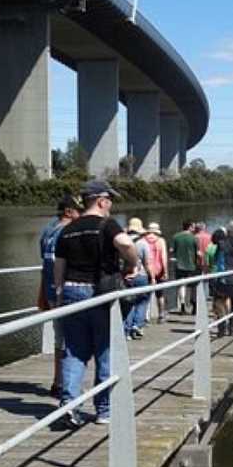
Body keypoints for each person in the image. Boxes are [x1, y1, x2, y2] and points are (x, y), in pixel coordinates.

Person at [53, 180, 138, 427]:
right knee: (105, 349)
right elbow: (126, 243)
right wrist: (132, 264)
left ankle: (70, 407)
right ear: (101, 201)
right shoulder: (106, 224)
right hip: (100, 293)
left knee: (74, 352)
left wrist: (60, 296)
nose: (110, 205)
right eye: (110, 201)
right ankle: (104, 410)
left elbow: (59, 267)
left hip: (71, 291)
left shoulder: (67, 229)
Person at [38, 194, 82, 398]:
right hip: (64, 292)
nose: (81, 214)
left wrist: (42, 293)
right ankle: (65, 385)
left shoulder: (47, 231)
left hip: (51, 292)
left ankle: (59, 381)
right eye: (78, 210)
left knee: (60, 339)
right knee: (70, 340)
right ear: (68, 211)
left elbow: (44, 265)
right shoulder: (68, 232)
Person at [122, 218, 154, 340]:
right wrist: (152, 277)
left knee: (128, 303)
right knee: (142, 302)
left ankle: (126, 329)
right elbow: (147, 263)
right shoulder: (143, 243)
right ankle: (137, 325)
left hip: (126, 276)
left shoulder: (123, 242)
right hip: (141, 276)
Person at [171, 220, 198, 314]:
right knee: (191, 286)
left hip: (179, 264)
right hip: (191, 265)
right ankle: (193, 305)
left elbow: (171, 250)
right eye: (193, 227)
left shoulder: (176, 237)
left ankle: (182, 305)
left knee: (181, 285)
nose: (194, 228)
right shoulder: (194, 238)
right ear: (190, 227)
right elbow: (197, 252)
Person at [143, 222, 168, 322]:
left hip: (147, 270)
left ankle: (145, 316)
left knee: (146, 294)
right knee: (160, 294)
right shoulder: (161, 241)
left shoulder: (144, 240)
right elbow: (163, 257)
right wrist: (165, 271)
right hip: (159, 269)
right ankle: (161, 314)